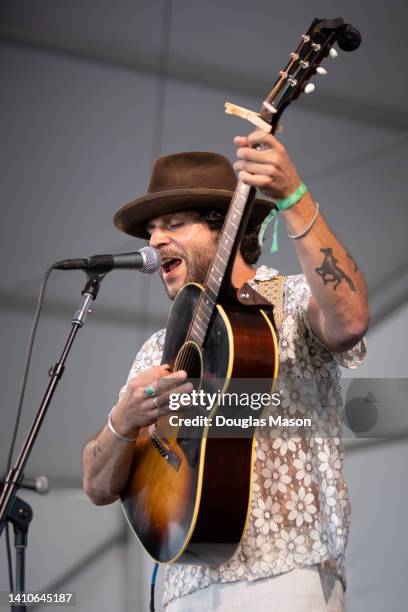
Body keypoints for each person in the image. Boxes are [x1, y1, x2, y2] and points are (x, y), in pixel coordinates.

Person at [82, 129, 369, 611]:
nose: (154, 240)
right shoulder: (157, 348)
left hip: (284, 577)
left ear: (227, 230)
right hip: (183, 590)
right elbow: (96, 485)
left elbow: (351, 319)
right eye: (151, 229)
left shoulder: (292, 302)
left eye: (174, 223)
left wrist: (294, 197)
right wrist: (121, 422)